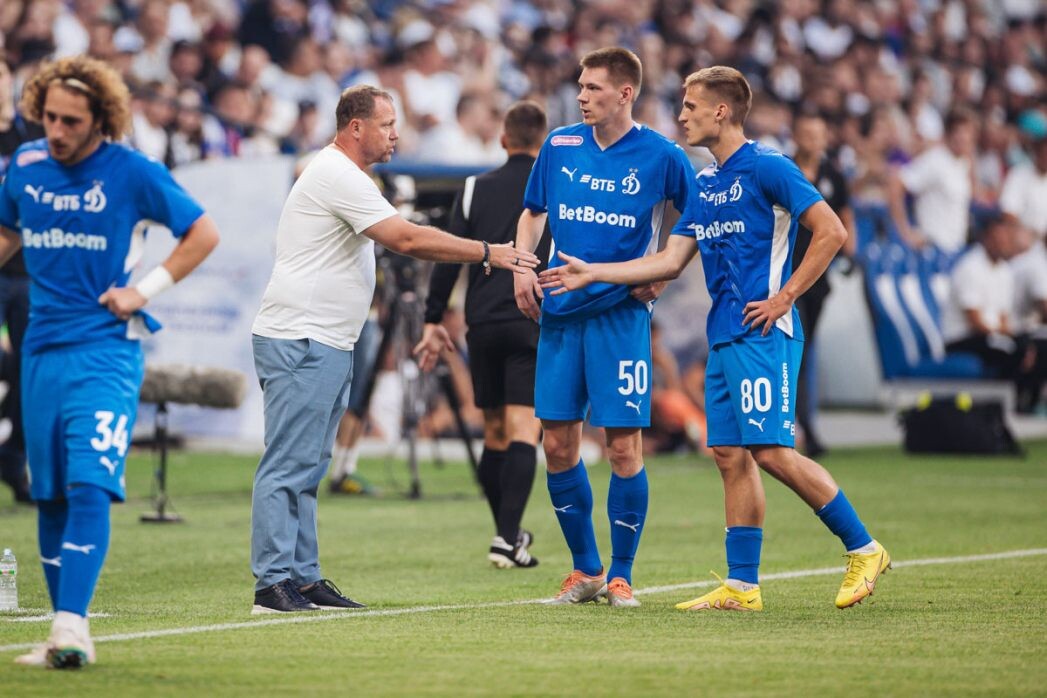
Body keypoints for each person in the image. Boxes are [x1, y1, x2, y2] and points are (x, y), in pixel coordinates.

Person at [540, 66, 890, 612]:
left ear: (720, 111)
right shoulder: (706, 183)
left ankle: (863, 547)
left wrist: (786, 296)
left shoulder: (769, 166)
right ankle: (743, 585)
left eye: (690, 105)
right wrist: (596, 273)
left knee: (771, 450)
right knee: (729, 454)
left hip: (765, 330)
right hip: (724, 333)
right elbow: (671, 260)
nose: (681, 115)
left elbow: (833, 231)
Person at [249, 85, 537, 615]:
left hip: (326, 337)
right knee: (288, 463)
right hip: (303, 336)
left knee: (309, 463)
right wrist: (488, 252)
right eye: (386, 124)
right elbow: (404, 239)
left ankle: (303, 577)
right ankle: (271, 585)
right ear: (355, 127)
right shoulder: (336, 172)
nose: (395, 134)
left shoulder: (347, 174)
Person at [1, 55, 219, 667]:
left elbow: (202, 233)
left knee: (89, 483)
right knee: (48, 498)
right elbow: (6, 230)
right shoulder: (24, 165)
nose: (57, 131)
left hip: (106, 349)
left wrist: (143, 291)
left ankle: (72, 627)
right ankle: (61, 629)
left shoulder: (133, 171)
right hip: (39, 348)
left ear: (101, 120)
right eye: (49, 118)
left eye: (71, 121)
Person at [513, 47, 696, 607]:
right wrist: (523, 264)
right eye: (580, 86)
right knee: (559, 445)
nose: (582, 96)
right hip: (559, 316)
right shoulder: (560, 144)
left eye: (593, 88)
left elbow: (695, 220)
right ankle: (585, 569)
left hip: (620, 318)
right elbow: (532, 212)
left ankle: (621, 574)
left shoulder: (663, 155)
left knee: (622, 448)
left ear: (625, 94)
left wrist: (664, 273)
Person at [413, 100, 550, 569]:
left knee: (494, 433)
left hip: (483, 323)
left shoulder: (473, 188)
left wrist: (434, 317)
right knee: (523, 430)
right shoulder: (556, 184)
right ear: (543, 140)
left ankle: (507, 537)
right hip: (532, 316)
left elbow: (450, 256)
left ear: (503, 139)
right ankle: (507, 536)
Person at [790, 111, 855, 457]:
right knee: (795, 352)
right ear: (795, 135)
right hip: (787, 276)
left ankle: (801, 425)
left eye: (817, 134)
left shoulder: (833, 175)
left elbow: (845, 215)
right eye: (806, 133)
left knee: (804, 352)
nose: (812, 140)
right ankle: (802, 428)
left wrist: (850, 251)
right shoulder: (783, 168)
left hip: (818, 278)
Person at [0, 55, 42, 505]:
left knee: (34, 373)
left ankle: (14, 457)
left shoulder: (32, 139)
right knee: (9, 364)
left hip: (31, 276)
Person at [887, 108, 977, 254]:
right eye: (959, 132)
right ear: (949, 134)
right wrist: (905, 231)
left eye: (968, 133)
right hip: (932, 247)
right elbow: (896, 183)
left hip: (954, 248)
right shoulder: (935, 159)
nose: (964, 138)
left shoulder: (963, 164)